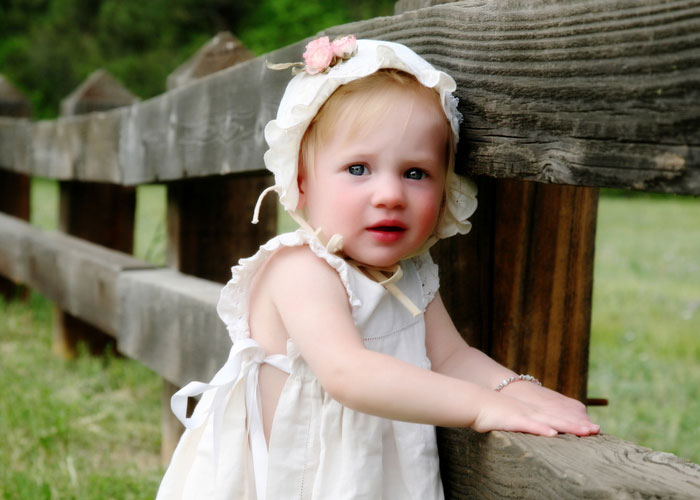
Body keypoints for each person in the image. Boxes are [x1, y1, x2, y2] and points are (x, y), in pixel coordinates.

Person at [156, 36, 599, 500]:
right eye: (358, 169)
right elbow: (348, 372)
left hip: (364, 476)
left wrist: (514, 390)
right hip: (287, 479)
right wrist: (480, 408)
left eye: (415, 173)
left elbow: (452, 358)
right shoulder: (300, 269)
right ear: (302, 181)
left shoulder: (413, 274)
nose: (389, 194)